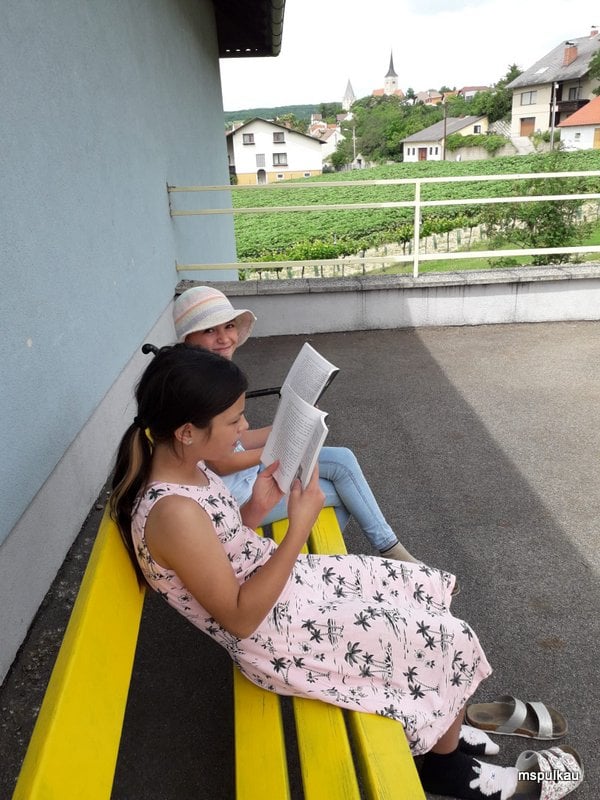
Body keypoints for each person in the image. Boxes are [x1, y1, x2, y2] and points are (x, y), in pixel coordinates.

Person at [110, 344, 520, 800]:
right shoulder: (173, 512)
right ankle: (446, 768)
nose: (244, 429)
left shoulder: (187, 466)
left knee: (415, 584)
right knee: (447, 636)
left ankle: (443, 722)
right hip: (273, 633)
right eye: (234, 421)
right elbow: (239, 618)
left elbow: (216, 549)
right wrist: (297, 529)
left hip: (278, 591)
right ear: (187, 431)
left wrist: (255, 508)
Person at [172, 285, 418, 563]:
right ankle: (311, 563)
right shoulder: (194, 388)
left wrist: (291, 426)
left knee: (343, 461)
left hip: (250, 474)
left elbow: (239, 440)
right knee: (341, 494)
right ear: (187, 339)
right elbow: (221, 463)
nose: (224, 338)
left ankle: (386, 549)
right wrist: (282, 448)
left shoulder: (211, 374)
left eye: (229, 326)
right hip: (241, 497)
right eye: (209, 330)